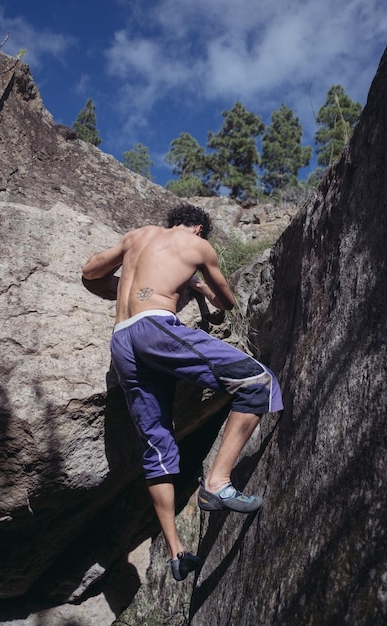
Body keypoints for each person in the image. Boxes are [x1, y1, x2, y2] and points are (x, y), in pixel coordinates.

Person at [82, 204, 283, 582]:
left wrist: (124, 287)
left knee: (157, 445)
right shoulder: (196, 246)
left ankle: (176, 552)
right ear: (199, 229)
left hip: (122, 342)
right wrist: (198, 285)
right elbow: (226, 303)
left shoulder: (136, 236)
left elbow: (90, 272)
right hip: (155, 329)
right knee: (255, 381)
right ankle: (218, 484)